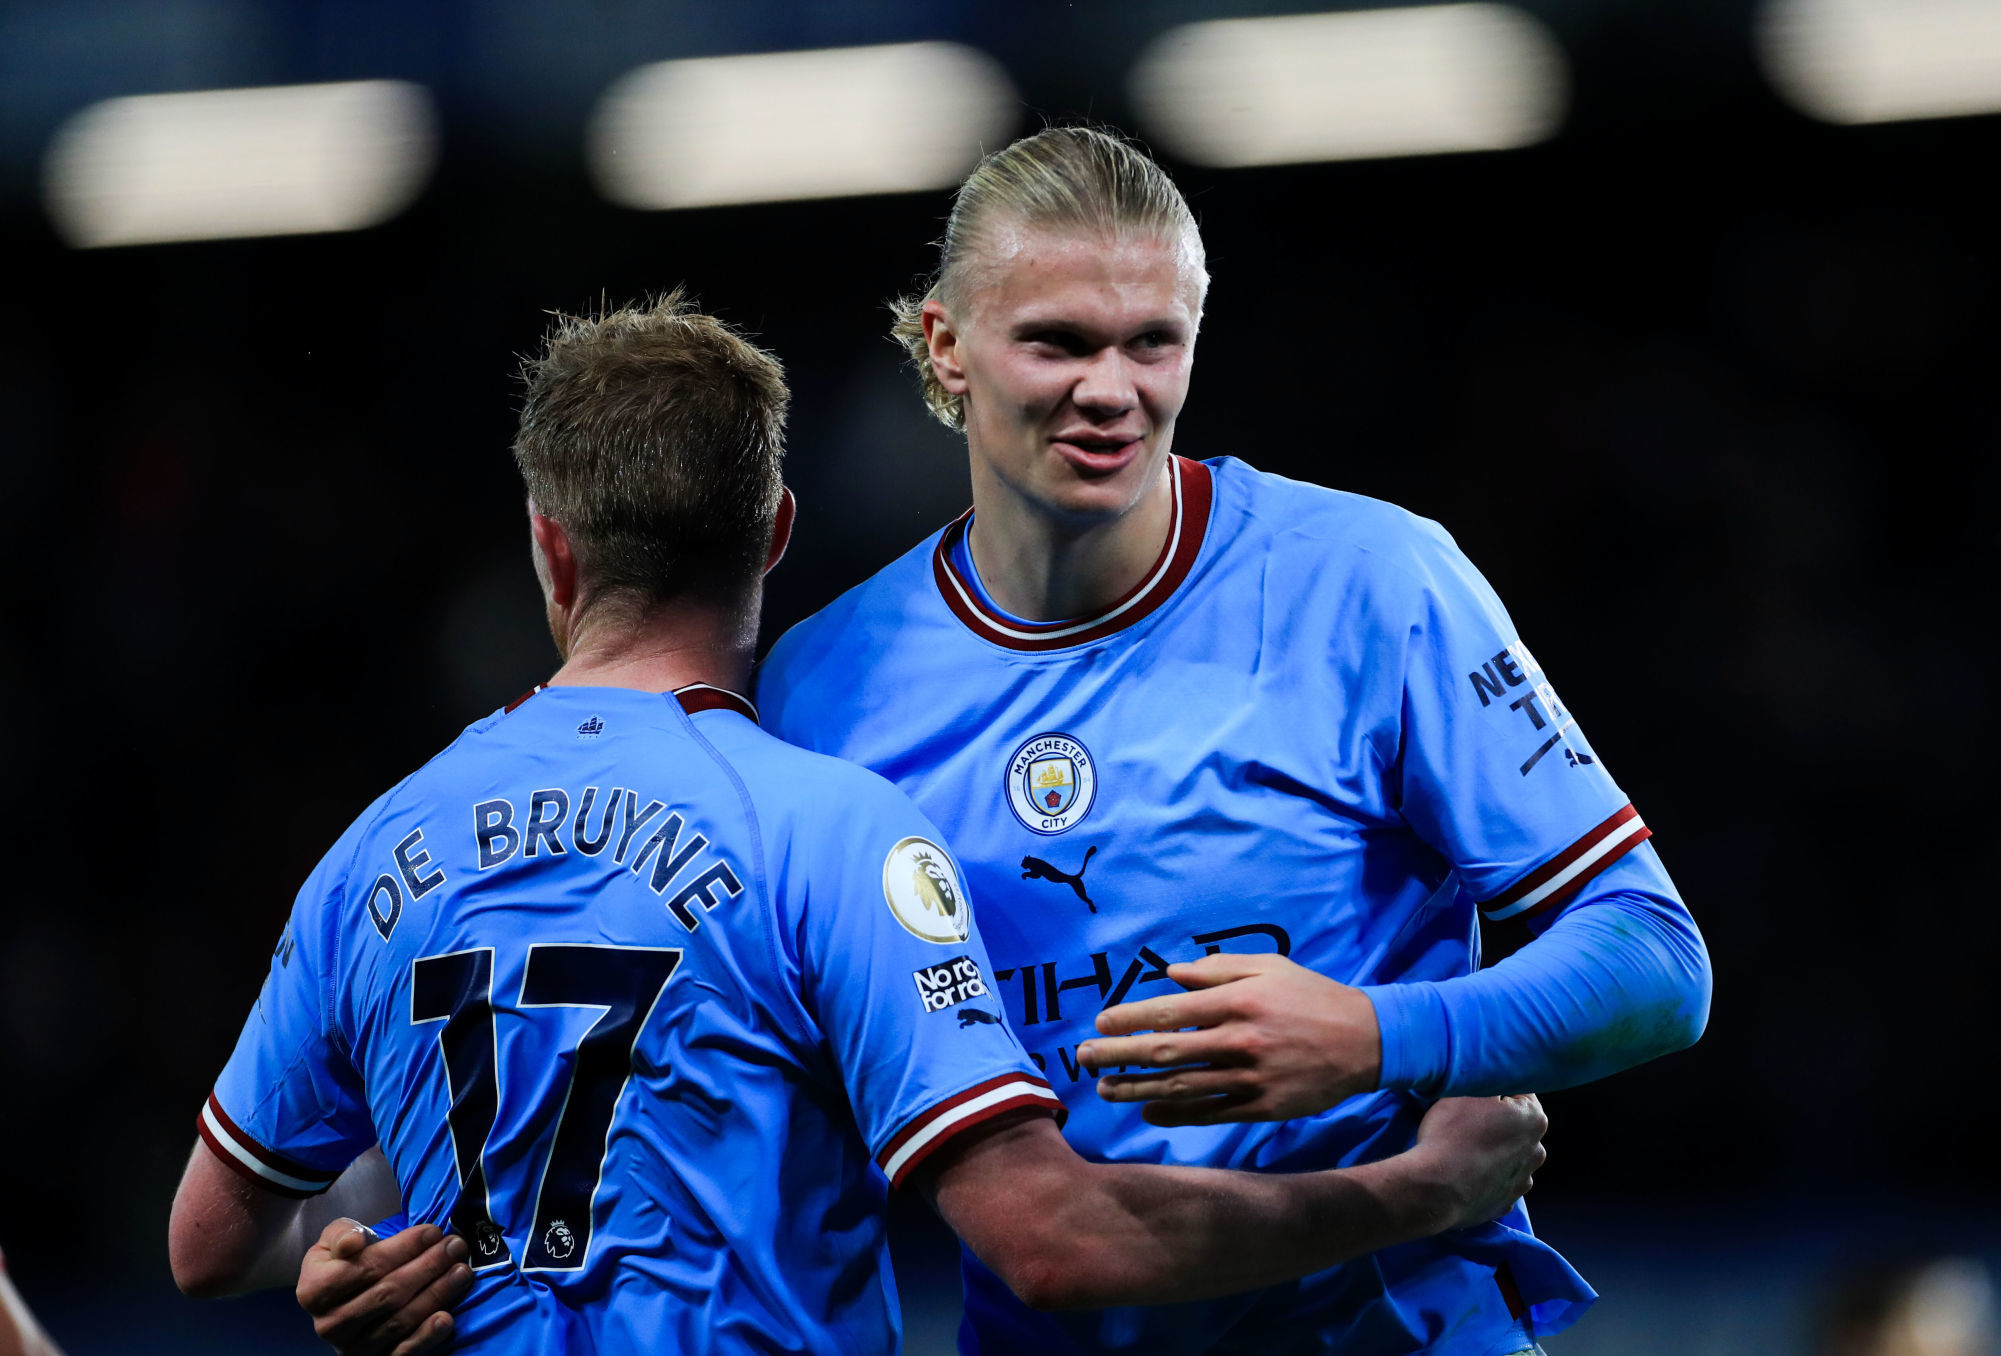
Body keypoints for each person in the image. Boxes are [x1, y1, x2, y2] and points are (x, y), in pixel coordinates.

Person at [169, 293, 1551, 1355]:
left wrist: (346, 1257)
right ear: (775, 530)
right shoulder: (828, 831)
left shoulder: (371, 854)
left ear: (550, 544)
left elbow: (210, 1244)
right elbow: (1055, 1242)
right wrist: (1421, 1191)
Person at [752, 126, 1714, 1354]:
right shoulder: (822, 691)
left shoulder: (1374, 580)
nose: (1113, 390)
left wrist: (1375, 1037)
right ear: (946, 345)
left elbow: (1654, 959)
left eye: (1152, 342)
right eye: (1058, 342)